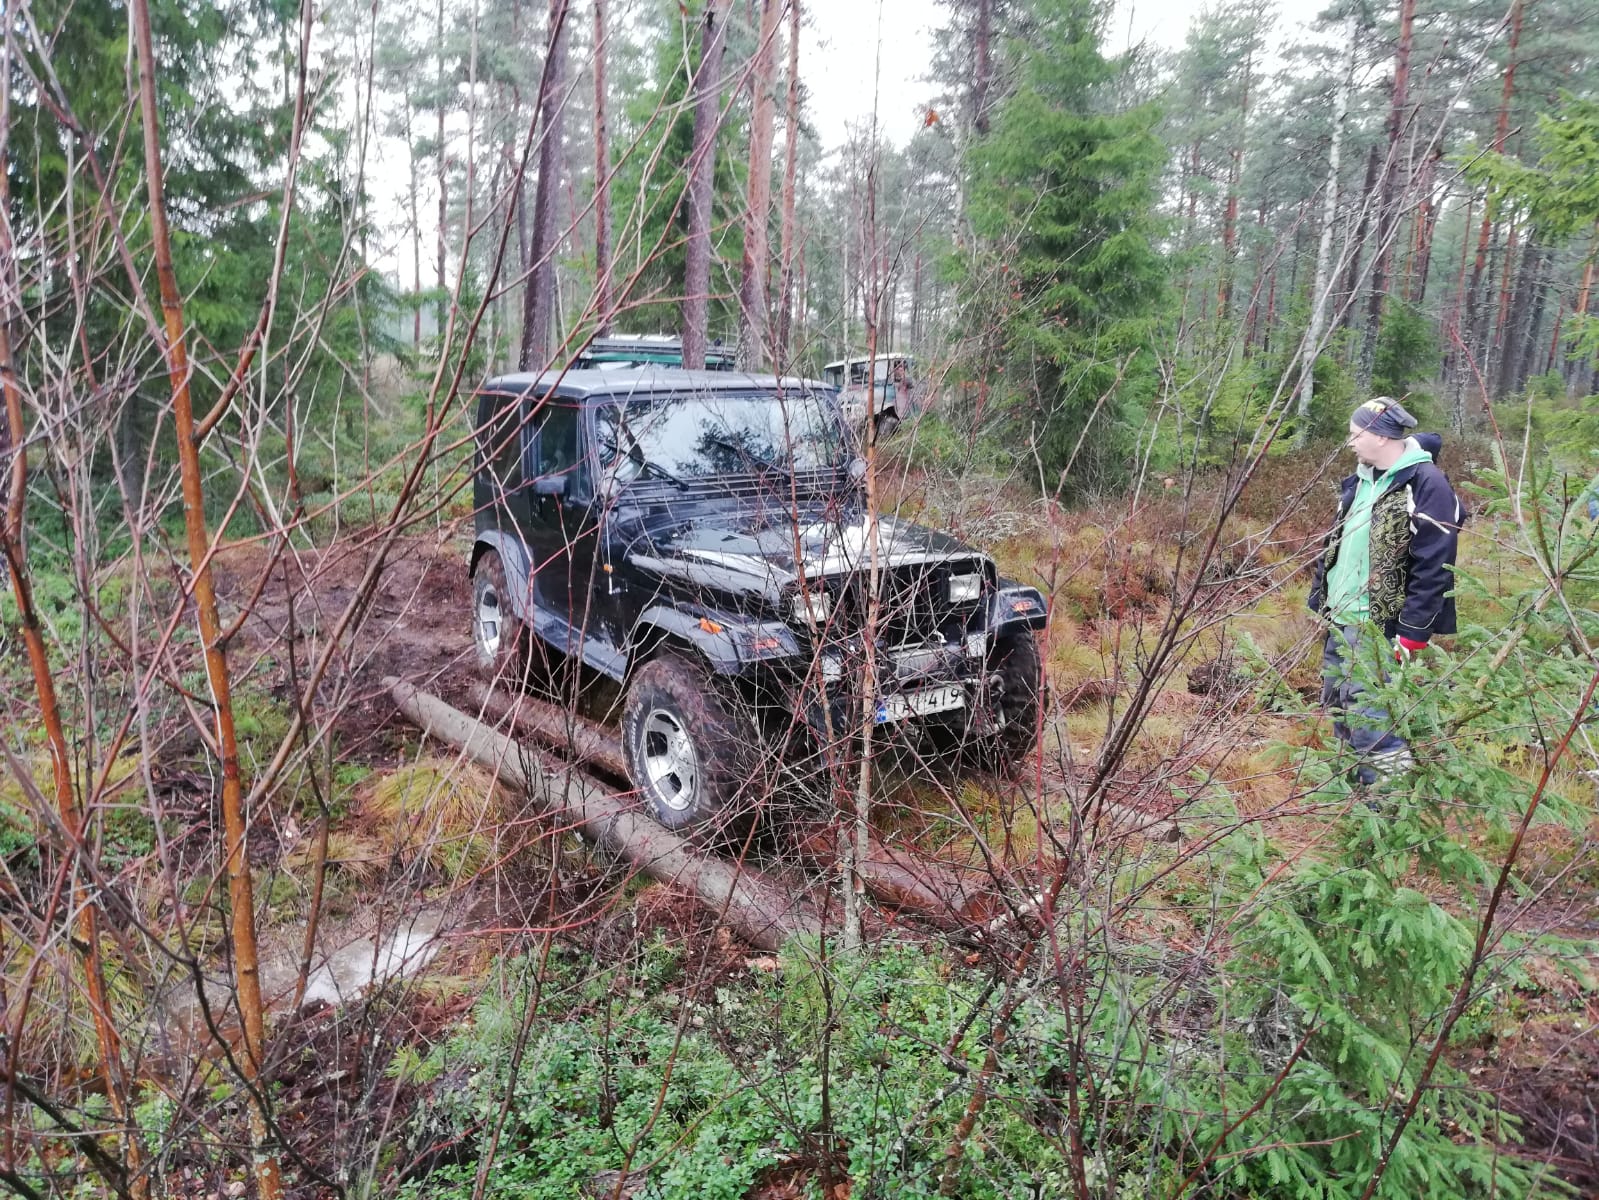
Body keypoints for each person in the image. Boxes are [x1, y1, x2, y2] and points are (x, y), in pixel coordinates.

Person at [1308, 397, 1463, 786]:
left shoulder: (1426, 484)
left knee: (1371, 717)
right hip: (1342, 617)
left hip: (1380, 626)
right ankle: (1351, 792)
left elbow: (1435, 566)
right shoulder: (1362, 479)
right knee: (1340, 706)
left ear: (1379, 436)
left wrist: (1413, 632)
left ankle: (1387, 801)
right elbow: (1338, 543)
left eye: (1355, 434)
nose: (1350, 442)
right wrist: (1322, 598)